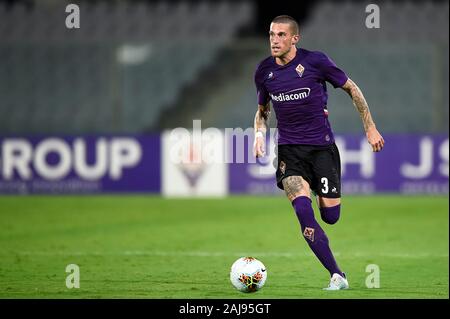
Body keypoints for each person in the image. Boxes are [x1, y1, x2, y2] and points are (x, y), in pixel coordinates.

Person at [253, 15, 384, 290]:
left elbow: (352, 89)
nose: (274, 40)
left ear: (294, 38)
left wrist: (370, 128)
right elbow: (263, 111)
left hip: (322, 149)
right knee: (302, 209)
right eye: (271, 35)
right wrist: (259, 135)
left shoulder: (316, 62)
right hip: (290, 152)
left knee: (330, 218)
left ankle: (317, 190)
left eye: (280, 35)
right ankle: (337, 275)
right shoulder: (264, 72)